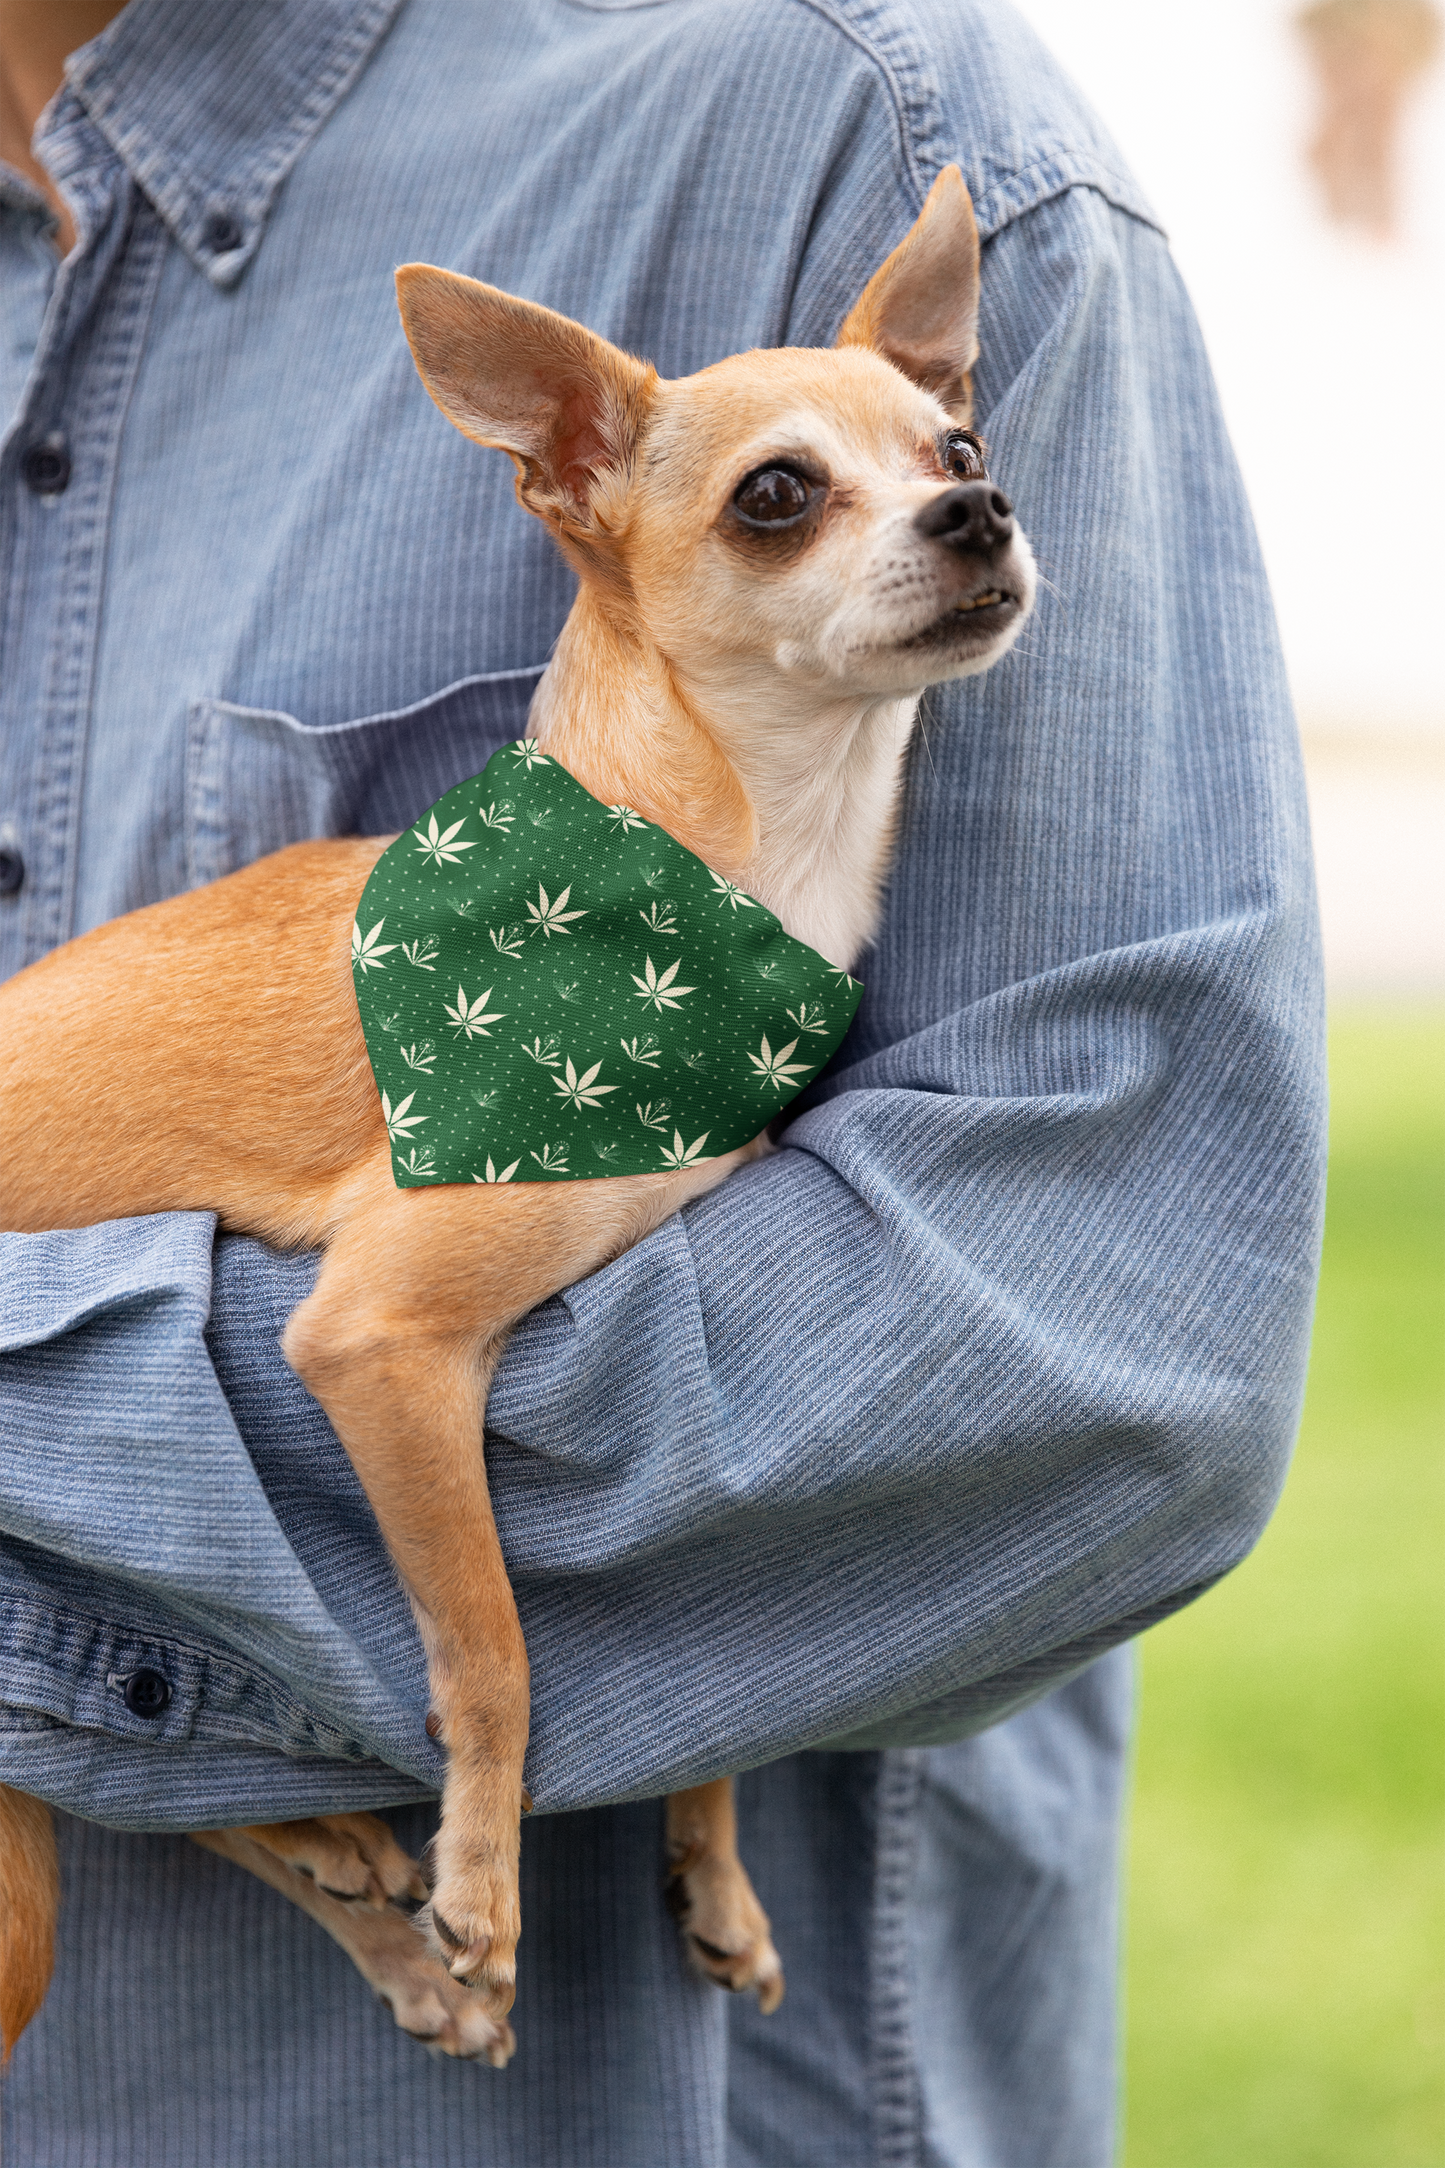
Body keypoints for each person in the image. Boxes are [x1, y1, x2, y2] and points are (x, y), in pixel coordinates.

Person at [0, 0, 1325, 2161]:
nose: (949, 521)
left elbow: (1100, 1348)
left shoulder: (856, 118)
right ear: (567, 477)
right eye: (787, 502)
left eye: (949, 465)